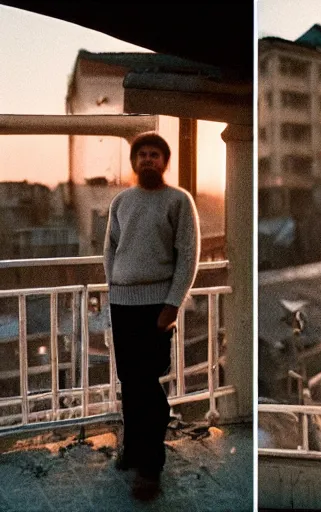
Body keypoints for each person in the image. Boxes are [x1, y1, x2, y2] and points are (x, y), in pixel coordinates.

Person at [104, 131, 200, 500]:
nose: (148, 159)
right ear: (134, 162)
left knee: (147, 384)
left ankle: (150, 465)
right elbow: (110, 249)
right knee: (131, 381)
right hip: (123, 304)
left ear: (165, 161)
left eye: (154, 154)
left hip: (157, 307)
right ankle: (133, 449)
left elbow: (188, 256)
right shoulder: (121, 201)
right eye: (142, 154)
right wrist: (114, 287)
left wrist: (172, 304)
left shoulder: (178, 201)